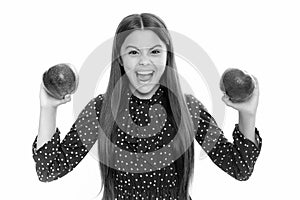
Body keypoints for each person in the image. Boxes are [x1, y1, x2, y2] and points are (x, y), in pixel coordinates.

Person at [32, 13, 262, 200]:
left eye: (154, 51)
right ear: (120, 59)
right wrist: (48, 108)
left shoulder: (187, 108)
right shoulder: (101, 109)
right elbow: (48, 170)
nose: (144, 61)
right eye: (133, 52)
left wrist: (247, 113)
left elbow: (239, 168)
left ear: (167, 55)